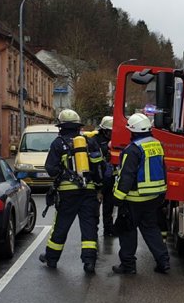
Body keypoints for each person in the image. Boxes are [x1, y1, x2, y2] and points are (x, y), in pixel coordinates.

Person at [39, 109, 106, 274]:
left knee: (61, 226)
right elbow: (101, 167)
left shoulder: (58, 143)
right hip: (89, 191)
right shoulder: (89, 142)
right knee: (89, 227)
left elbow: (51, 169)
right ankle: (89, 262)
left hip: (67, 193)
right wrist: (99, 186)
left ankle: (51, 259)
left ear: (61, 127)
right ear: (78, 127)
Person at [111, 112, 170, 275]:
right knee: (151, 230)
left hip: (133, 199)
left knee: (128, 230)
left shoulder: (132, 150)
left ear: (133, 130)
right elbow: (163, 170)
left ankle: (128, 265)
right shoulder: (157, 144)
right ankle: (163, 261)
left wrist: (117, 198)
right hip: (153, 198)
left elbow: (126, 177)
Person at [89, 115, 117, 237]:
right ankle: (92, 231)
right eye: (110, 131)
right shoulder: (94, 141)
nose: (112, 134)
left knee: (109, 207)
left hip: (110, 180)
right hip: (97, 180)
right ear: (104, 130)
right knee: (94, 209)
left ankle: (108, 230)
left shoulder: (114, 141)